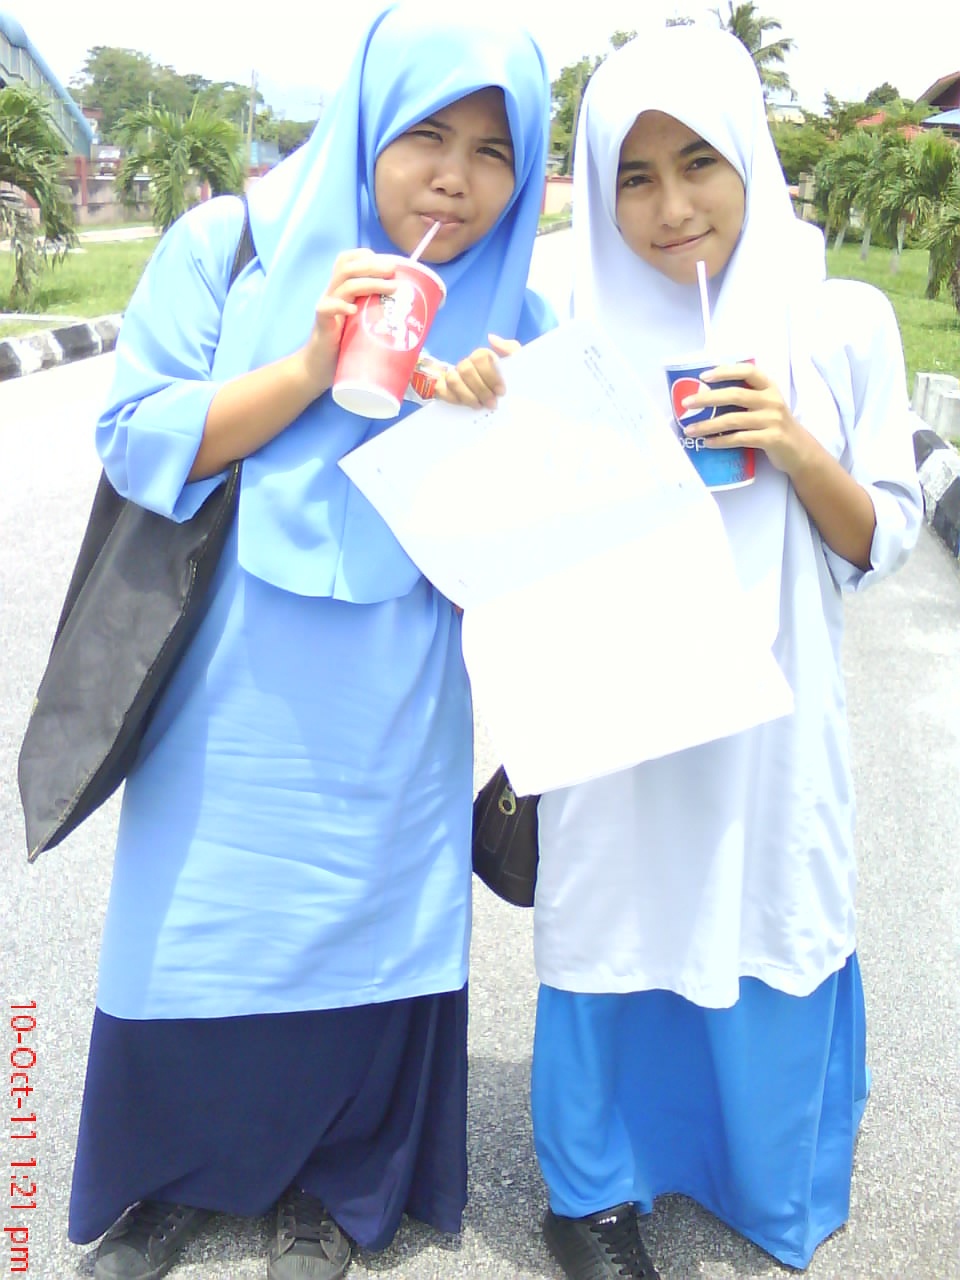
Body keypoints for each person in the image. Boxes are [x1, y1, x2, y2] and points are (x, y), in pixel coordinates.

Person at [66, 7, 552, 1280]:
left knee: (367, 920)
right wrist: (308, 363)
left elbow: (539, 548)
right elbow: (134, 433)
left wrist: (501, 425)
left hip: (400, 685)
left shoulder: (520, 314)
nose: (455, 177)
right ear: (366, 124)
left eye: (494, 152)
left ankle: (339, 1183)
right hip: (222, 672)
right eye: (426, 134)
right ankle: (169, 1175)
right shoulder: (226, 248)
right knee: (199, 917)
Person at [522, 26, 922, 1280]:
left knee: (768, 897)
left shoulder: (838, 321)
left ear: (751, 155)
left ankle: (765, 1171)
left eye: (700, 163)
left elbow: (883, 535)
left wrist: (795, 444)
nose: (671, 207)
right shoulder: (568, 322)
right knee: (611, 907)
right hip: (619, 711)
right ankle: (589, 1191)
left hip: (774, 712)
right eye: (634, 177)